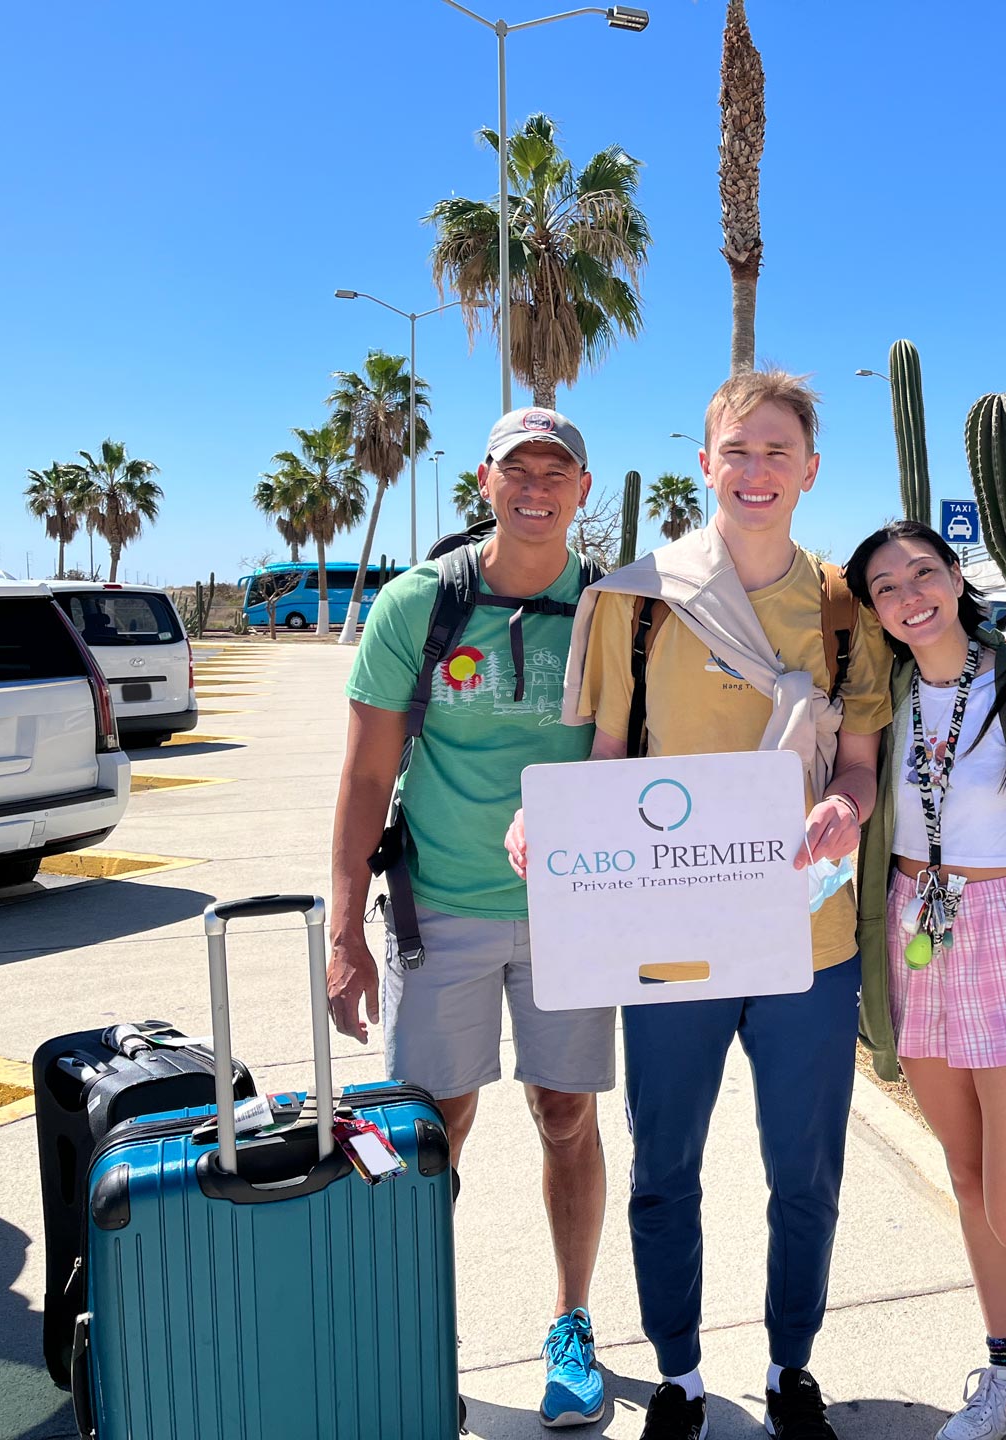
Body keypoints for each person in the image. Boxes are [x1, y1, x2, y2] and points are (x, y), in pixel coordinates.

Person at [508, 370, 892, 1440]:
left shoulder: (845, 609)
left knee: (803, 1172)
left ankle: (787, 1370)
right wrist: (551, 824)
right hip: (669, 939)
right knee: (663, 1164)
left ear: (810, 471)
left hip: (805, 941)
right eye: (739, 451)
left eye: (779, 453)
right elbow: (609, 759)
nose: (757, 471)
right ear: (705, 463)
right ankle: (677, 1377)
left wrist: (846, 814)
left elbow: (859, 768)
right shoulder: (640, 598)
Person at [329, 408, 617, 1428]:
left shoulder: (615, 610)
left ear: (585, 490)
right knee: (432, 1128)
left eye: (558, 470)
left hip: (578, 918)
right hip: (440, 909)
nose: (536, 485)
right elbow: (367, 776)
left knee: (565, 1115)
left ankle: (573, 1323)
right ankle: (411, 1332)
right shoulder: (422, 604)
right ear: (484, 482)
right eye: (517, 469)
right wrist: (343, 930)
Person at [846, 521, 1006, 1440]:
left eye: (923, 573)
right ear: (875, 611)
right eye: (886, 588)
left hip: (1005, 937)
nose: (910, 595)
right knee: (965, 1170)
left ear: (956, 577)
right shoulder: (887, 697)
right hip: (918, 929)